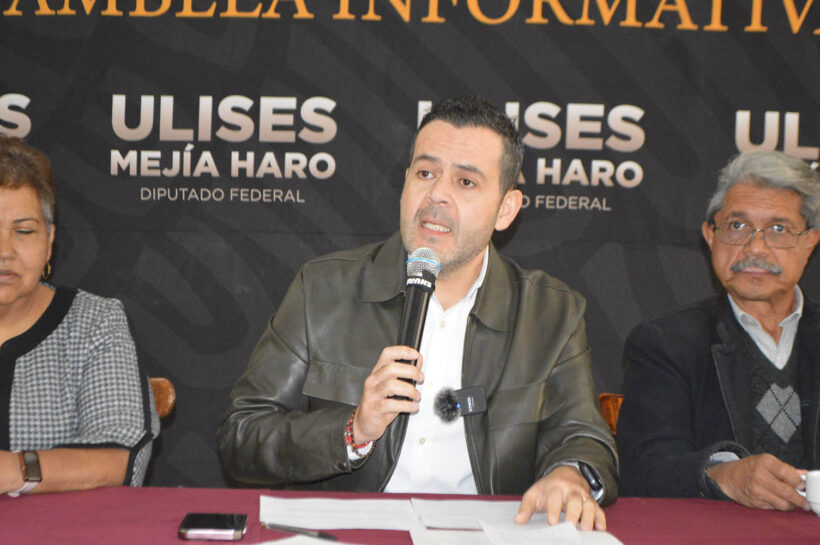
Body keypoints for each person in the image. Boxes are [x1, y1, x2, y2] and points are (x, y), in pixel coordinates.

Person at [218, 96, 618, 530]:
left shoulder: (551, 312)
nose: (437, 195)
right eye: (425, 173)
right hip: (351, 534)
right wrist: (351, 430)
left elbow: (583, 437)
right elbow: (242, 436)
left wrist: (569, 474)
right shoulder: (323, 290)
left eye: (466, 182)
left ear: (505, 210)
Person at [617, 151, 820, 511]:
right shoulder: (665, 343)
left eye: (779, 229)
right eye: (737, 226)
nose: (755, 248)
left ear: (810, 242)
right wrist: (721, 475)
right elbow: (642, 471)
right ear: (710, 235)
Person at [0, 135, 158, 496]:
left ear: (49, 240)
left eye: (23, 231)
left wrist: (16, 469)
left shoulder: (94, 324)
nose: (5, 250)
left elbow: (120, 459)